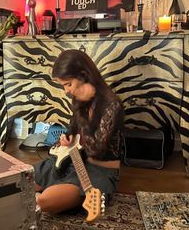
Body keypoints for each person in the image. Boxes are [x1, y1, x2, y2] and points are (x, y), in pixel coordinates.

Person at [34, 49, 124, 214]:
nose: (67, 91)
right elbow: (73, 128)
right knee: (19, 183)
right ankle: (50, 188)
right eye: (63, 86)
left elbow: (95, 149)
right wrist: (66, 137)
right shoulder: (78, 97)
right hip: (73, 160)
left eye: (68, 84)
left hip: (99, 170)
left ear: (83, 76)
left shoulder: (112, 105)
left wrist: (81, 110)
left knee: (45, 201)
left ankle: (55, 192)